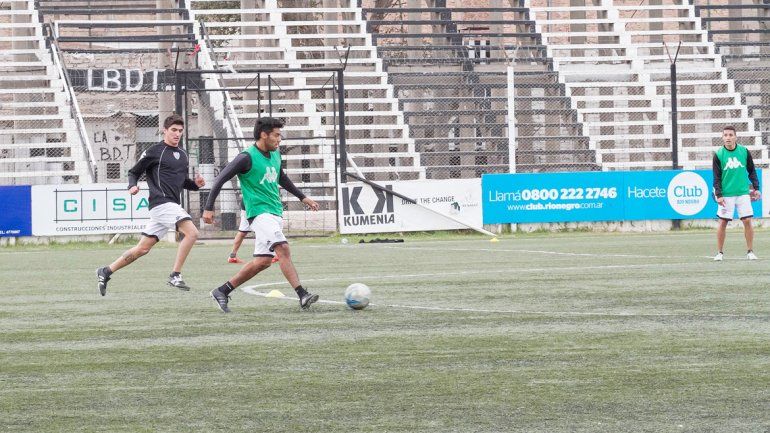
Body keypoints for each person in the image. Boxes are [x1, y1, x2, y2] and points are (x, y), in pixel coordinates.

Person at [203, 117, 320, 313]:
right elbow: (220, 179)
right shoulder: (246, 157)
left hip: (274, 212)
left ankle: (222, 291)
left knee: (263, 262)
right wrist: (208, 207)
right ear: (264, 135)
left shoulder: (275, 154)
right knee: (282, 248)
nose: (279, 139)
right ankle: (302, 294)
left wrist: (302, 197)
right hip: (258, 213)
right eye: (276, 135)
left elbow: (281, 176)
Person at [96, 114, 205, 295]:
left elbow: (181, 181)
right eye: (173, 130)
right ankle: (175, 274)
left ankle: (106, 271)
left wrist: (195, 185)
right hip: (161, 203)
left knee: (142, 248)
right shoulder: (154, 151)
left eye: (180, 131)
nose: (177, 134)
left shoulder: (184, 154)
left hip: (169, 206)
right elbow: (134, 172)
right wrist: (132, 185)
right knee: (192, 233)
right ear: (165, 130)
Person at [713, 125, 760, 261]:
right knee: (723, 222)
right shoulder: (718, 155)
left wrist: (756, 188)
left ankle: (750, 251)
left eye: (730, 135)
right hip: (726, 194)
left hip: (742, 193)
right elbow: (716, 177)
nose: (728, 137)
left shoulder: (744, 151)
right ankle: (719, 253)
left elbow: (752, 170)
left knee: (747, 220)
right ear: (722, 137)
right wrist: (719, 194)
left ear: (735, 137)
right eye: (725, 135)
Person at [227, 200, 279, 265]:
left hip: (249, 203)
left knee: (243, 231)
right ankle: (272, 255)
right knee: (262, 229)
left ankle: (232, 256)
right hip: (254, 204)